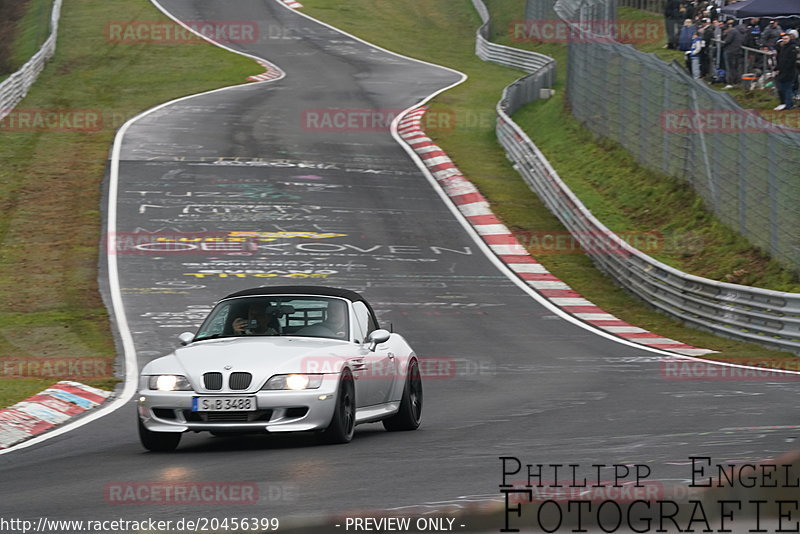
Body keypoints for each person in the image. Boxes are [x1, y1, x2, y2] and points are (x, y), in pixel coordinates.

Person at [774, 32, 798, 110]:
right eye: (783, 39)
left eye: (786, 38)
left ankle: (789, 104)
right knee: (782, 87)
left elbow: (791, 61)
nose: (784, 40)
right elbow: (780, 59)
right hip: (782, 71)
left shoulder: (792, 48)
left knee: (787, 88)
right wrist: (778, 68)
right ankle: (784, 103)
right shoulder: (783, 48)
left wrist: (785, 69)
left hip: (789, 71)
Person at [722, 21, 748, 88]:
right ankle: (736, 82)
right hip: (738, 51)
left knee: (729, 68)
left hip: (729, 51)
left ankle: (730, 83)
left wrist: (724, 41)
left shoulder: (733, 31)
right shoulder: (743, 32)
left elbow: (727, 41)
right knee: (735, 68)